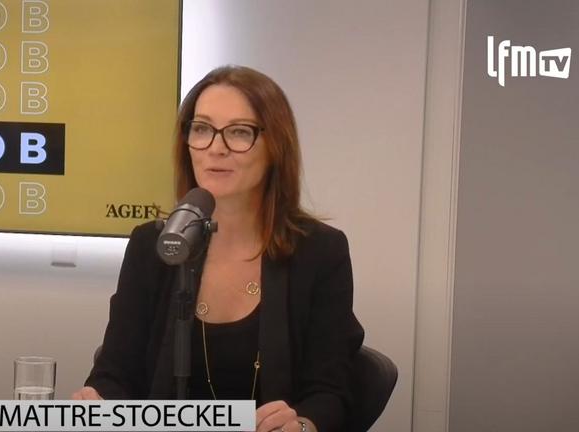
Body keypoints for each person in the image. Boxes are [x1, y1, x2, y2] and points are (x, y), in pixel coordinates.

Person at [72, 65, 364, 432]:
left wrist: (303, 425)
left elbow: (330, 392)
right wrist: (97, 401)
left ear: (276, 147)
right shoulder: (154, 245)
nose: (216, 148)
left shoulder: (320, 252)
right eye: (202, 129)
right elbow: (115, 373)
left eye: (239, 132)